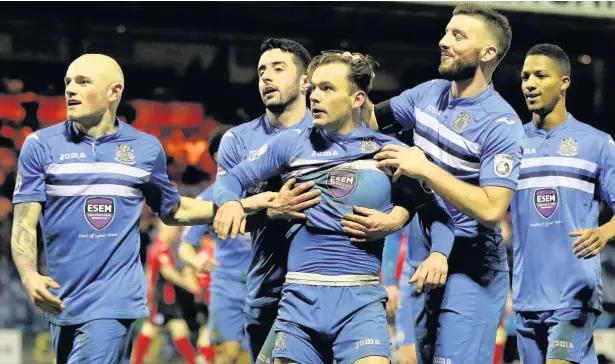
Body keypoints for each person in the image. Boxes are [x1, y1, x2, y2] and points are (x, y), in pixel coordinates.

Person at [9, 53, 280, 364]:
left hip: (115, 299)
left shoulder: (145, 149)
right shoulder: (40, 146)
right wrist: (29, 275)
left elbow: (174, 210)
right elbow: (24, 222)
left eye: (83, 82)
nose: (71, 89)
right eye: (68, 81)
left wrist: (241, 205)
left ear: (114, 91)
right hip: (62, 299)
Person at [213, 51, 454, 364]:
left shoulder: (388, 153)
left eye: (327, 88)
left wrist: (438, 254)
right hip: (298, 304)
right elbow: (229, 180)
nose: (314, 96)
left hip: (361, 304)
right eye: (313, 88)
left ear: (357, 99)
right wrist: (230, 202)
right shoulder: (291, 144)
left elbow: (438, 215)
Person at [354, 4, 525, 363]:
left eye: (457, 36)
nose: (443, 41)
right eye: (447, 32)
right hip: (422, 252)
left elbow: (493, 208)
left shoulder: (501, 124)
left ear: (487, 53)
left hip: (472, 264)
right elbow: (369, 121)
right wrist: (347, 84)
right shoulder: (428, 93)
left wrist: (426, 168)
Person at [205, 38, 319, 364]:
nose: (266, 77)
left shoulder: (330, 133)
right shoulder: (238, 141)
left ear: (305, 80)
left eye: (278, 69)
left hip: (319, 288)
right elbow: (226, 210)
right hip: (264, 288)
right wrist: (266, 209)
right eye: (261, 71)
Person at [511, 43, 615, 364]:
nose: (530, 83)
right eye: (526, 75)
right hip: (525, 296)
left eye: (541, 75)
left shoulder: (596, 142)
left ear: (564, 82)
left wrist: (606, 231)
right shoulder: (510, 143)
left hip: (575, 292)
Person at [180, 125, 253, 364]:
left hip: (265, 286)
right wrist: (196, 261)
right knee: (227, 355)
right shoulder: (209, 198)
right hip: (227, 288)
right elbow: (185, 247)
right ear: (216, 157)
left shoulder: (265, 189)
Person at [132, 221, 199, 364]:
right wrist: (188, 285)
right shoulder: (160, 248)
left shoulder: (162, 248)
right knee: (150, 330)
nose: (177, 232)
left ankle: (193, 361)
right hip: (161, 301)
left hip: (168, 301)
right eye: (175, 229)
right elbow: (168, 272)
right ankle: (136, 361)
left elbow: (150, 273)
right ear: (166, 229)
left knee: (179, 330)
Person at [381, 225, 418, 364]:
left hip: (456, 278)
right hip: (411, 279)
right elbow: (393, 234)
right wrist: (389, 282)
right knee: (410, 356)